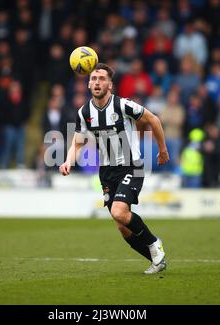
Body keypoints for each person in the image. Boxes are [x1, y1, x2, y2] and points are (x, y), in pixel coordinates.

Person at [59, 63, 170, 274]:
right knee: (122, 226)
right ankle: (156, 259)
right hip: (107, 171)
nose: (97, 82)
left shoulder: (124, 105)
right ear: (88, 83)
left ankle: (155, 243)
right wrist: (68, 161)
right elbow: (78, 141)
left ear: (110, 85)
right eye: (93, 79)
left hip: (132, 166)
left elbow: (153, 120)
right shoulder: (84, 112)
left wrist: (162, 149)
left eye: (101, 79)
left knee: (119, 212)